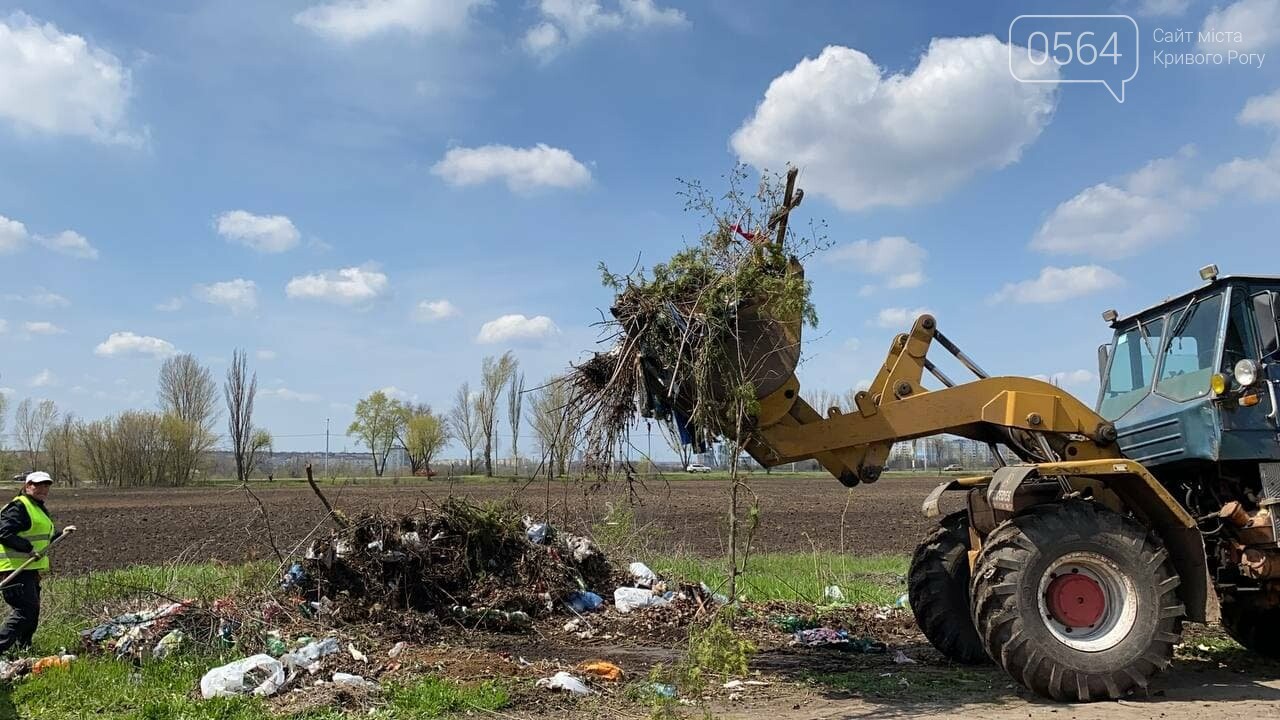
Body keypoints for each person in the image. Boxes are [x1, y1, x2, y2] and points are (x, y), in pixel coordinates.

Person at [0, 472, 75, 654]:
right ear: (27, 486)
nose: (43, 489)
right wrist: (27, 548)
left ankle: (22, 650)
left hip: (29, 570)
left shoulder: (37, 507)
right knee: (25, 611)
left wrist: (60, 534)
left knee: (32, 613)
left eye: (46, 486)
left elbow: (41, 539)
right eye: (38, 485)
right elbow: (3, 531)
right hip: (14, 570)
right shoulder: (19, 506)